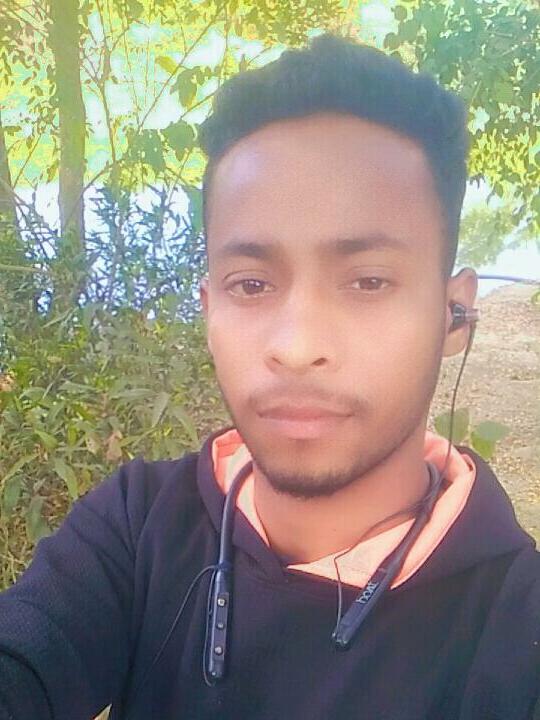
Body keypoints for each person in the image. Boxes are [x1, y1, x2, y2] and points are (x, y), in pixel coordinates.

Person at [0, 32, 538, 720]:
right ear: (208, 311)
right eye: (251, 284)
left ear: (454, 313)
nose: (296, 346)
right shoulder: (138, 527)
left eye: (368, 281)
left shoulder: (515, 626)